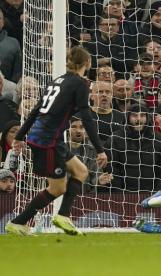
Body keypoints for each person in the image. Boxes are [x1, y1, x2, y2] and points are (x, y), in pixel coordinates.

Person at [5, 47, 108, 236]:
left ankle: (62, 215)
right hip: (47, 141)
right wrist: (100, 149)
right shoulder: (80, 83)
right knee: (57, 188)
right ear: (88, 63)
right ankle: (18, 222)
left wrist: (20, 137)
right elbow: (86, 117)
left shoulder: (57, 82)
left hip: (47, 138)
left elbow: (36, 111)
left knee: (81, 171)